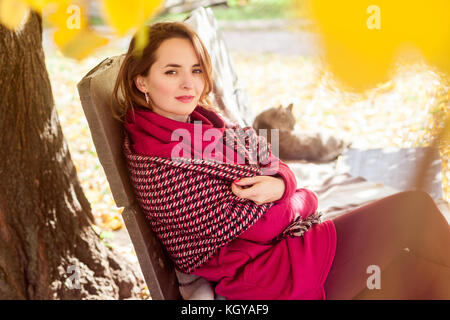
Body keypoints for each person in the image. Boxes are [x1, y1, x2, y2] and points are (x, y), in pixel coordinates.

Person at [111, 21, 450, 300]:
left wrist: (281, 184)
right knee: (414, 211)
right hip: (272, 278)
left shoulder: (201, 123)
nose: (189, 83)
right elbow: (263, 224)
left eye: (196, 70)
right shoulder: (161, 162)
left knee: (424, 276)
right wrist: (302, 196)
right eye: (171, 72)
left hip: (288, 251)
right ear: (142, 80)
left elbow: (271, 160)